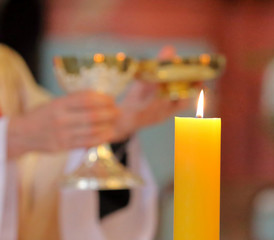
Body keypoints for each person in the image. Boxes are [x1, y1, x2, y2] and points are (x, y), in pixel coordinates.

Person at [0, 44, 190, 240]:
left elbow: (43, 172)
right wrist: (12, 137)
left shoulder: (5, 65)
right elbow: (23, 136)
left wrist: (115, 126)